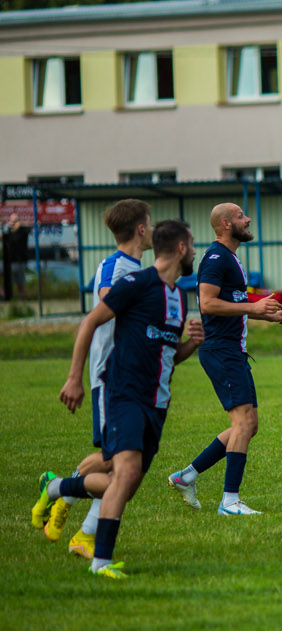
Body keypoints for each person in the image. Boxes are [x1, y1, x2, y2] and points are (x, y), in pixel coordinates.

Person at [38, 220, 203, 578]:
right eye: (191, 245)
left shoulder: (178, 297)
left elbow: (167, 355)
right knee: (124, 472)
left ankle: (57, 487)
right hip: (124, 394)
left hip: (157, 406)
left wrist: (191, 344)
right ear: (180, 248)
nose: (194, 251)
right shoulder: (137, 283)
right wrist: (74, 379)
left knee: (124, 486)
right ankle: (101, 562)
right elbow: (90, 322)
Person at [30, 200, 154, 558]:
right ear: (141, 229)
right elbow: (105, 304)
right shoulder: (115, 266)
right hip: (108, 377)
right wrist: (75, 378)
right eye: (149, 222)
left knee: (117, 463)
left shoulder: (136, 269)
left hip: (130, 378)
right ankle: (63, 496)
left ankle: (68, 505)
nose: (152, 228)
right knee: (119, 466)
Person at [166, 203, 282, 516]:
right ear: (225, 224)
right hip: (221, 351)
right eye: (240, 216)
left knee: (249, 425)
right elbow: (208, 304)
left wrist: (264, 313)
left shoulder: (230, 257)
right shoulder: (216, 257)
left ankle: (186, 476)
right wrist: (253, 308)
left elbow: (231, 302)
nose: (247, 219)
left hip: (230, 350)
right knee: (243, 423)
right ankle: (229, 502)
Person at [3, 211, 31, 301]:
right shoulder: (9, 233)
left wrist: (19, 224)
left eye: (14, 221)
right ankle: (4, 295)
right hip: (11, 262)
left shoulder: (22, 232)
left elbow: (29, 226)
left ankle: (22, 299)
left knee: (20, 284)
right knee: (18, 283)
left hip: (20, 261)